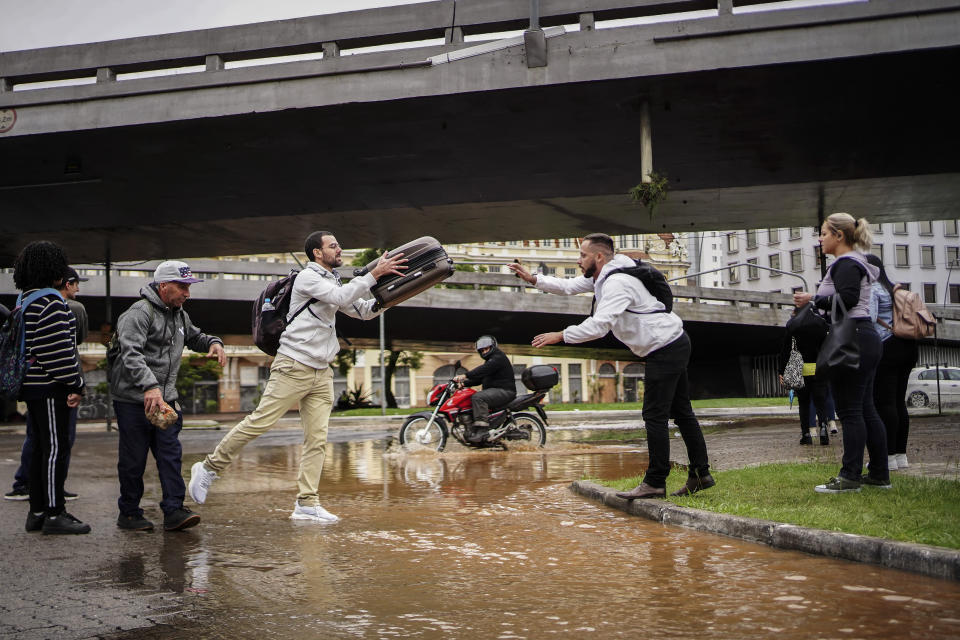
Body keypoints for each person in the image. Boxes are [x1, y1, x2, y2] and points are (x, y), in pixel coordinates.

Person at [188, 231, 406, 523]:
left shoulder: (333, 281)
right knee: (259, 422)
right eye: (333, 246)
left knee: (317, 440)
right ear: (317, 253)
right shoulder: (307, 278)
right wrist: (372, 274)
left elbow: (363, 311)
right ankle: (208, 468)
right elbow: (342, 296)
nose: (339, 249)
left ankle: (306, 503)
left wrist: (394, 295)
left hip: (321, 371)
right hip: (293, 365)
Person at [509, 233, 714, 499]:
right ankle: (701, 474)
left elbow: (600, 325)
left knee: (655, 415)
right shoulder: (605, 277)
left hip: (665, 347)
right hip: (670, 342)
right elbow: (569, 286)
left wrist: (561, 335)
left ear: (599, 257)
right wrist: (534, 278)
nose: (579, 260)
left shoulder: (617, 283)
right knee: (681, 413)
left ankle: (655, 482)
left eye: (583, 255)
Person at [110, 260, 226, 532]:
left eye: (188, 287)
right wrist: (149, 386)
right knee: (133, 460)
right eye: (182, 286)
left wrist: (213, 342)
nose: (187, 293)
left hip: (166, 400)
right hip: (133, 400)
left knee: (170, 455)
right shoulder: (138, 313)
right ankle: (128, 513)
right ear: (163, 286)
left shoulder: (180, 315)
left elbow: (195, 337)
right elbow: (131, 353)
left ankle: (174, 510)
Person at [793, 213, 887, 493]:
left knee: (850, 410)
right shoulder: (857, 261)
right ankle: (880, 474)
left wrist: (813, 299)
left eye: (823, 233)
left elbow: (847, 299)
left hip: (852, 337)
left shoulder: (846, 263)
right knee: (866, 408)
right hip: (864, 336)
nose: (819, 239)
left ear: (839, 236)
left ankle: (849, 477)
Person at [12, 241, 90, 534]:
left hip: (32, 386)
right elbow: (57, 351)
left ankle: (37, 512)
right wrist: (76, 383)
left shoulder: (25, 299)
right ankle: (56, 513)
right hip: (49, 387)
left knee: (40, 448)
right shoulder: (51, 302)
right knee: (55, 448)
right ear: (51, 269)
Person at [866, 253, 918, 472]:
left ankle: (887, 457)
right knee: (899, 402)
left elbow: (869, 319)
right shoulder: (894, 288)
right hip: (908, 346)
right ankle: (900, 455)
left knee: (884, 403)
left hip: (887, 346)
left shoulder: (873, 289)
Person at [453, 335, 517, 443]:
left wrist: (465, 375)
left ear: (493, 346)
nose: (484, 351)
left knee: (478, 397)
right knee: (470, 398)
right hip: (496, 391)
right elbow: (481, 378)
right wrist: (463, 384)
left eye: (486, 348)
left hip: (505, 391)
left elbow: (482, 370)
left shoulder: (498, 358)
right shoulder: (490, 361)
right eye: (481, 350)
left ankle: (482, 430)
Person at [778, 319, 830, 445]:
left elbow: (785, 350)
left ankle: (806, 434)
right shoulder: (821, 325)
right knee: (820, 402)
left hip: (801, 370)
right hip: (819, 369)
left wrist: (781, 370)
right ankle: (823, 429)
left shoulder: (793, 326)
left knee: (804, 403)